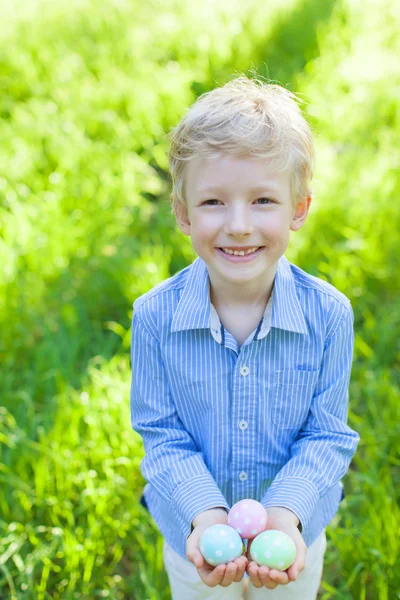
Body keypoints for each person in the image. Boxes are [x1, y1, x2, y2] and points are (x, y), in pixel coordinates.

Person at [130, 75, 360, 599]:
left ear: (298, 209)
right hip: (194, 532)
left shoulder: (329, 315)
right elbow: (161, 434)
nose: (238, 225)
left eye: (262, 201)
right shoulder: (154, 318)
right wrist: (204, 515)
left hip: (292, 531)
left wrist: (286, 515)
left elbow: (327, 435)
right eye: (213, 203)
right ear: (183, 213)